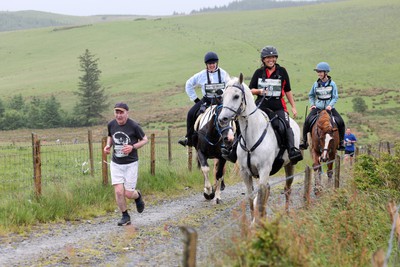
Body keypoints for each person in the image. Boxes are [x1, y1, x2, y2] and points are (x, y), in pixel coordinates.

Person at [247, 45, 303, 164]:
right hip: (261, 105)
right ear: (263, 59)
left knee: (285, 124)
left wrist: (293, 106)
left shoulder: (282, 71)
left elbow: (287, 90)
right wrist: (259, 91)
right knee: (247, 122)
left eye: (272, 57)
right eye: (268, 58)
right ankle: (234, 149)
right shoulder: (258, 72)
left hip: (278, 105)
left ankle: (292, 150)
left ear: (276, 58)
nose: (270, 60)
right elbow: (250, 89)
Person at [104, 102, 148, 226]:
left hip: (131, 163)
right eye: (116, 112)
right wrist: (108, 146)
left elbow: (145, 140)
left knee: (128, 194)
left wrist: (132, 147)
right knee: (118, 191)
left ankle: (138, 196)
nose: (118, 115)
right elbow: (110, 136)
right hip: (116, 163)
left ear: (127, 113)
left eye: (121, 112)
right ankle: (125, 216)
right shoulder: (111, 124)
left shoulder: (134, 126)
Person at [178, 51, 230, 147]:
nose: (212, 65)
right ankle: (189, 139)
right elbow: (188, 84)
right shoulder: (201, 75)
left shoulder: (223, 74)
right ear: (206, 64)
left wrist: (224, 93)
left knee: (234, 115)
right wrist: (196, 100)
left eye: (213, 63)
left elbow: (230, 85)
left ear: (216, 63)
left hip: (221, 101)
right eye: (210, 64)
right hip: (207, 100)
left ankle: (237, 139)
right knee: (190, 113)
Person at [299, 62, 345, 150]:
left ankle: (341, 142)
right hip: (318, 107)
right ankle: (304, 141)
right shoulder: (315, 84)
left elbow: (335, 97)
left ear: (326, 73)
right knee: (307, 121)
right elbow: (311, 95)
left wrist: (330, 105)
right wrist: (312, 104)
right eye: (318, 72)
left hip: (329, 108)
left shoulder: (333, 84)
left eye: (320, 72)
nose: (319, 74)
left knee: (341, 122)